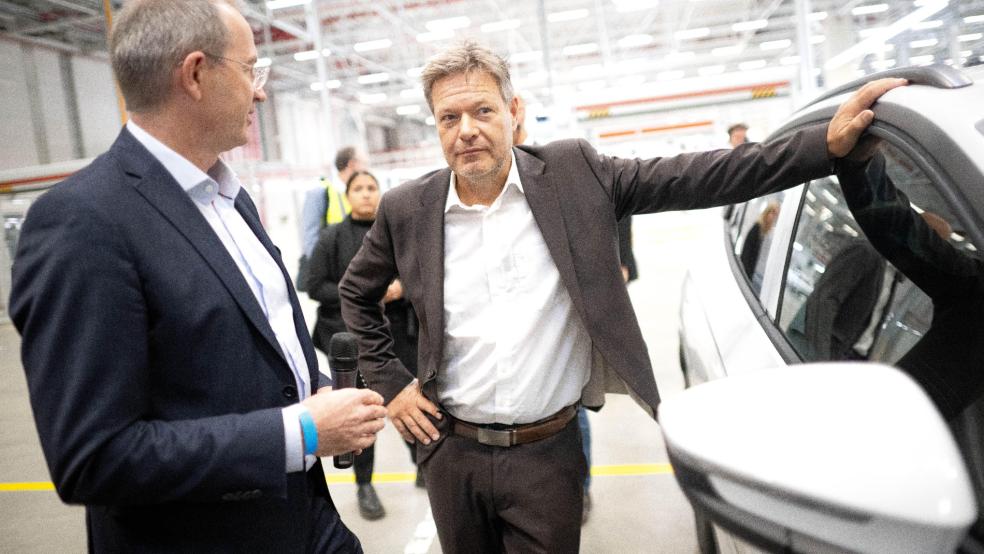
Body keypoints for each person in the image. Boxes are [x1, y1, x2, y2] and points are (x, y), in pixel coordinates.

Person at [338, 40, 905, 552]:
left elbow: (698, 176)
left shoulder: (572, 173)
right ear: (436, 128)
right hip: (451, 453)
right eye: (449, 117)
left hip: (546, 455)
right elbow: (355, 294)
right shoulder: (407, 209)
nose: (466, 130)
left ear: (513, 113)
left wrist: (822, 147)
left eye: (483, 110)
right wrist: (392, 385)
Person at [7, 1, 387, 551]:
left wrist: (320, 394)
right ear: (195, 74)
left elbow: (242, 355)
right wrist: (300, 431)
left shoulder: (232, 200)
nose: (260, 91)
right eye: (250, 69)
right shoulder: (82, 223)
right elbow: (93, 456)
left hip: (307, 523)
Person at [306, 170, 421, 520]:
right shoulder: (332, 238)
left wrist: (400, 288)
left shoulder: (395, 232)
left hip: (398, 333)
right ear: (348, 195)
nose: (367, 195)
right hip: (350, 342)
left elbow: (420, 275)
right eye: (359, 189)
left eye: (372, 188)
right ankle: (365, 485)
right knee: (363, 413)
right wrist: (357, 294)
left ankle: (425, 466)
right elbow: (315, 287)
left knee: (409, 399)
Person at [296, 146, 366, 291]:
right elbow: (310, 238)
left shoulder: (362, 193)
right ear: (352, 164)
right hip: (335, 279)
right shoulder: (320, 192)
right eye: (364, 163)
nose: (367, 168)